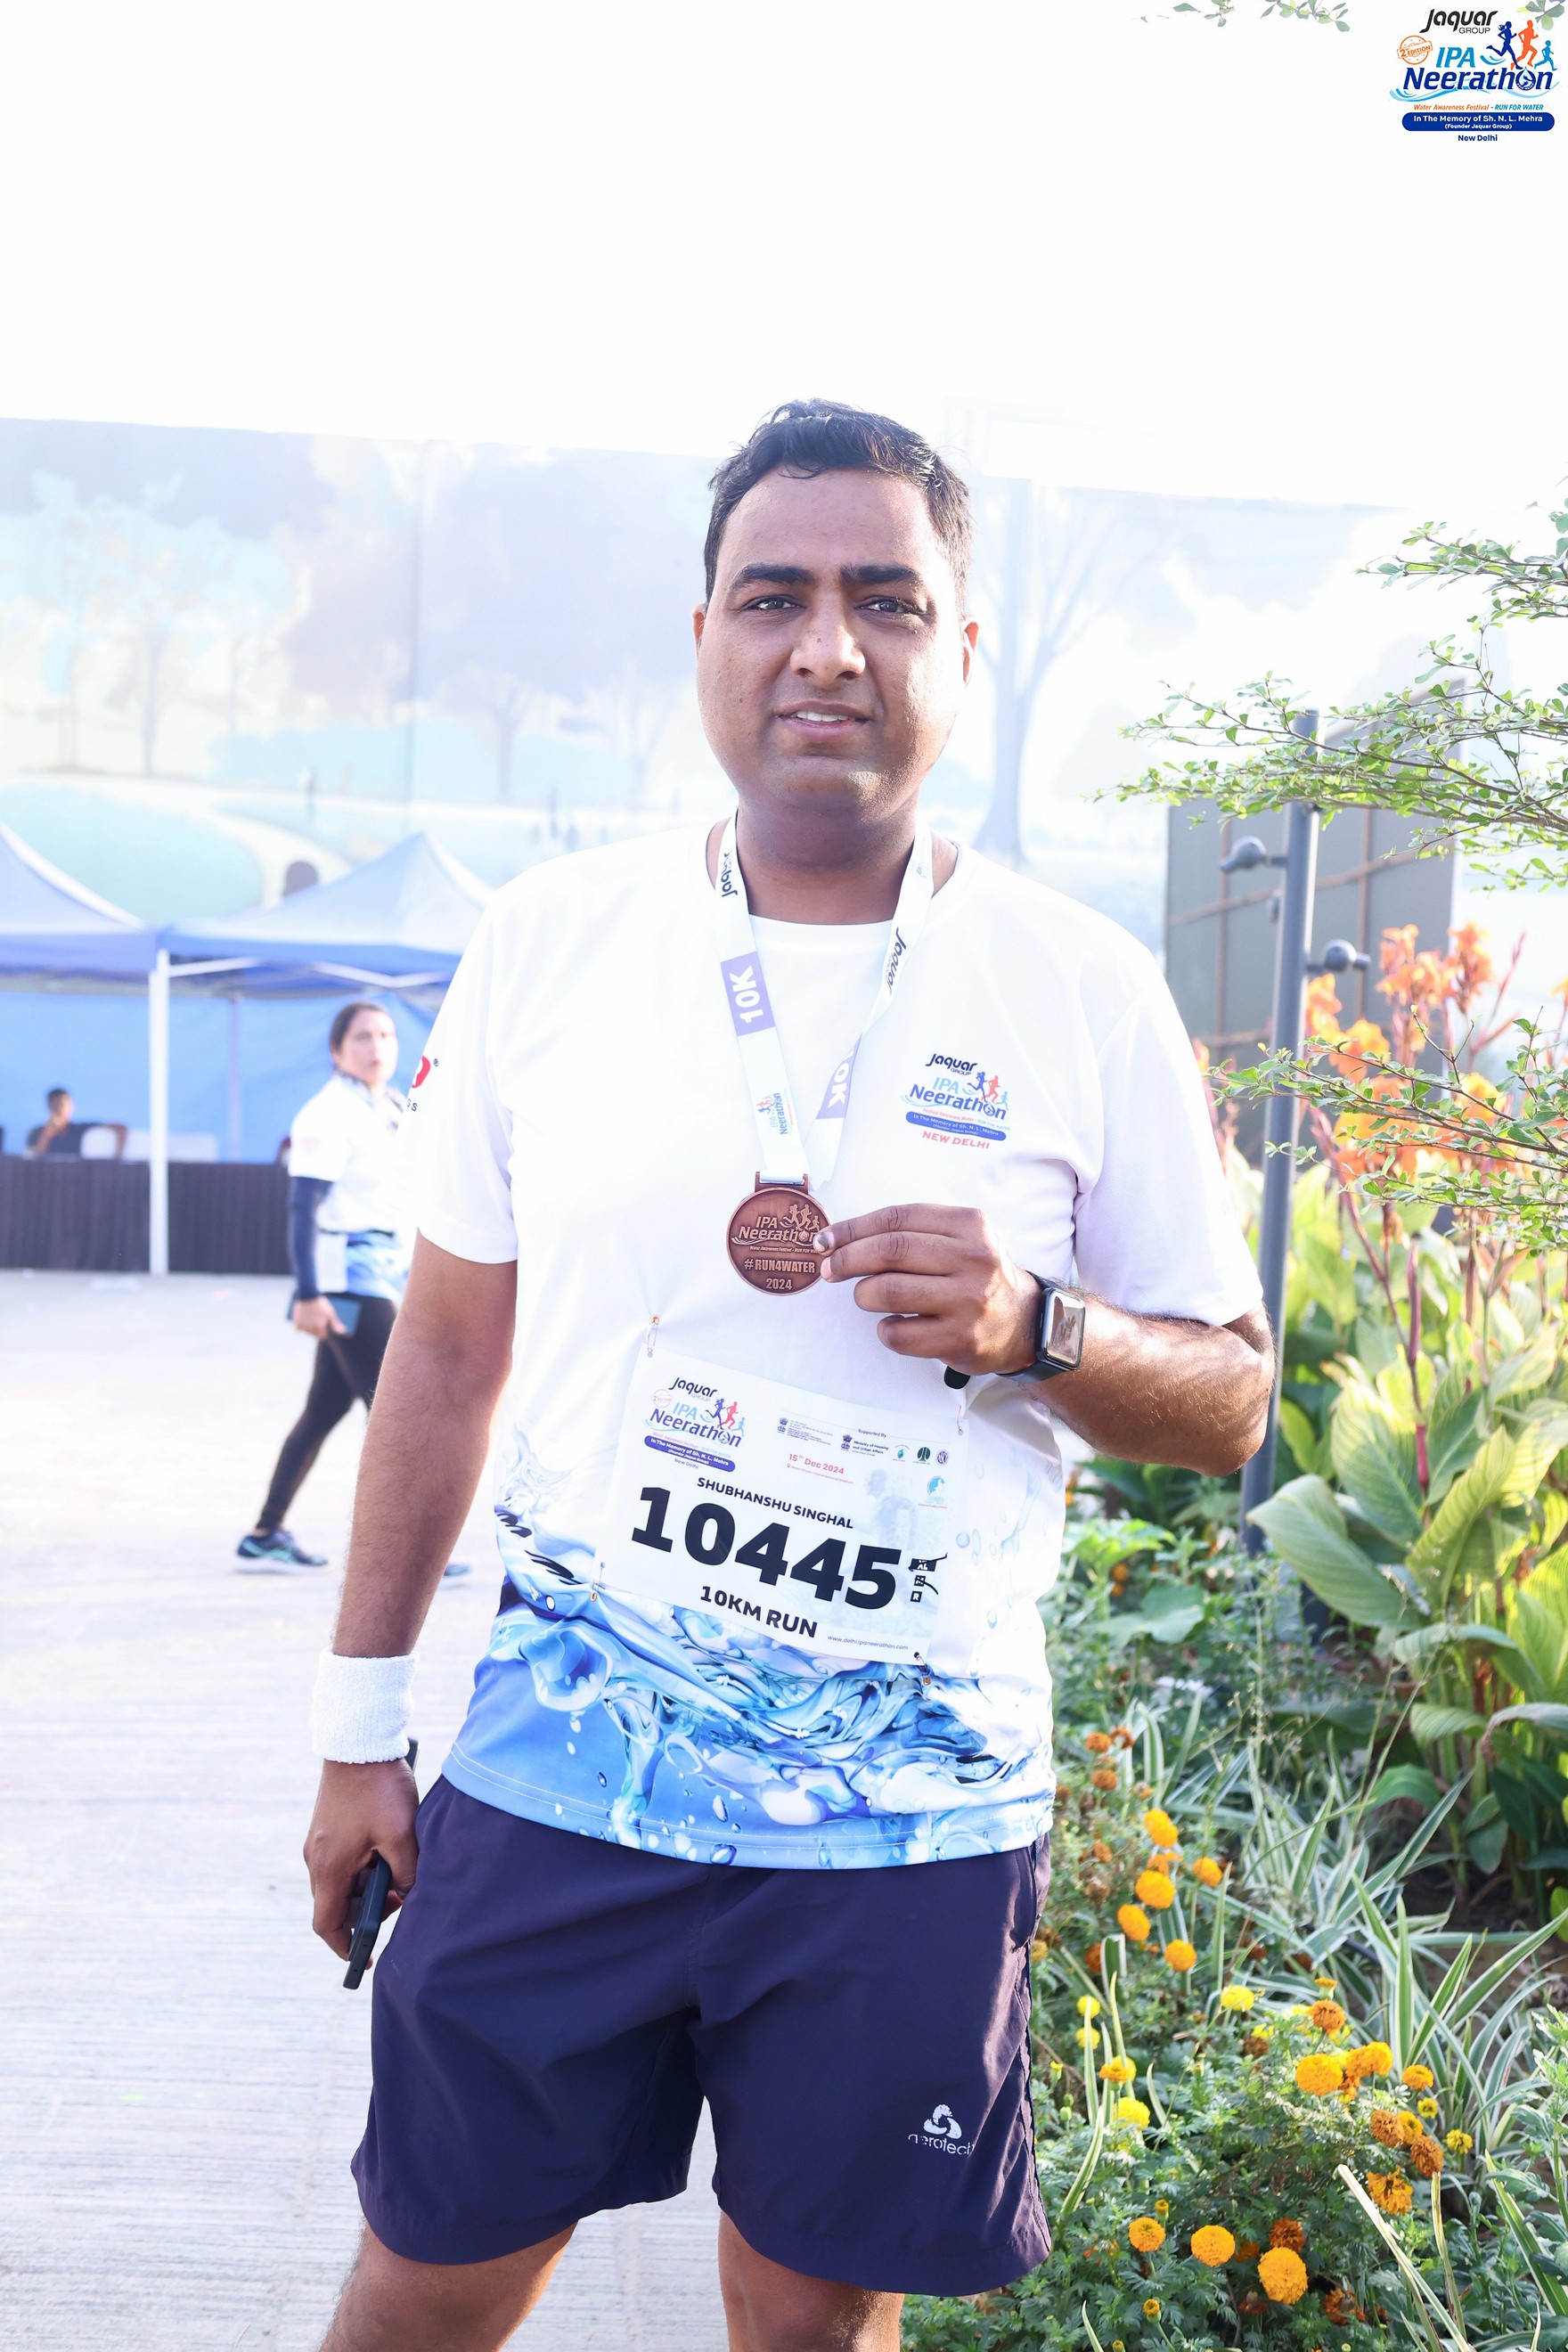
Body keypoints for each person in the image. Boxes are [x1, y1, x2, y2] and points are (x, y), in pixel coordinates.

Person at [303, 400, 1272, 2352]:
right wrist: (357, 1731)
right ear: (703, 639)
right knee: (426, 2283)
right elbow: (448, 1361)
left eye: (885, 602)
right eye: (775, 597)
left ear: (961, 652)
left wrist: (1040, 1328)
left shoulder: (1079, 985)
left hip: (901, 1822)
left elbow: (1233, 1400)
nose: (827, 646)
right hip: (569, 1769)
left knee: (815, 2323)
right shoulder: (553, 941)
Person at [238, 1002, 415, 1572]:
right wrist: (309, 1293)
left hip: (385, 1268)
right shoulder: (327, 1112)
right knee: (397, 1417)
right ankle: (399, 1557)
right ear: (337, 1050)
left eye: (385, 1034)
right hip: (348, 1280)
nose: (376, 1046)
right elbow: (303, 1209)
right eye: (362, 1037)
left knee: (322, 1410)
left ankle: (264, 1534)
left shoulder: (391, 1105)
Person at [24, 1087, 127, 1157]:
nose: (60, 1109)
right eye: (56, 1105)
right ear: (49, 1106)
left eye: (63, 1105)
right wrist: (48, 1132)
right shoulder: (37, 1132)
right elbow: (34, 1158)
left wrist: (117, 1156)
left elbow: (121, 1128)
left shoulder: (79, 1129)